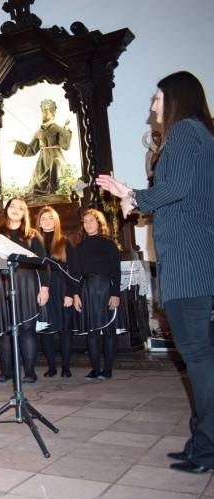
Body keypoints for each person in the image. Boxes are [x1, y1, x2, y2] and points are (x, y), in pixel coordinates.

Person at [96, 70, 214, 475]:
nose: (152, 107)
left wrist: (133, 195)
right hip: (200, 261)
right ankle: (201, 440)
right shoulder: (203, 135)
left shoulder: (184, 133)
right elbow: (182, 192)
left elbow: (174, 188)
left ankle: (208, 449)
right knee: (203, 357)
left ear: (176, 98)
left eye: (156, 99)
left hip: (188, 264)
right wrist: (135, 195)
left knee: (198, 358)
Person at [0, 198, 48, 384]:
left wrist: (44, 288)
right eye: (12, 206)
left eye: (20, 208)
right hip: (2, 284)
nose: (16, 210)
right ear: (6, 209)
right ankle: (7, 372)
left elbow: (44, 264)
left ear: (24, 213)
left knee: (27, 330)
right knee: (4, 331)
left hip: (27, 284)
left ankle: (29, 372)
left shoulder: (33, 235)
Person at [71, 209, 120, 381]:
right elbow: (75, 274)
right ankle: (95, 369)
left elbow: (116, 271)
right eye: (85, 221)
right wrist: (76, 295)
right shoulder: (79, 248)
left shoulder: (109, 244)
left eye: (92, 220)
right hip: (88, 290)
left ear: (99, 223)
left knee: (108, 330)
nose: (88, 224)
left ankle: (107, 369)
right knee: (92, 332)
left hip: (106, 288)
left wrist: (115, 294)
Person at [36, 206, 76, 378]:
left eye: (50, 218)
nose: (46, 221)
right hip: (41, 288)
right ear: (38, 222)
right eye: (43, 218)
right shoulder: (34, 242)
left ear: (56, 221)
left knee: (64, 330)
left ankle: (66, 367)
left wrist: (70, 293)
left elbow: (73, 270)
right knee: (46, 329)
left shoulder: (64, 241)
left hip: (61, 289)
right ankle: (51, 366)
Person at [13, 99, 72, 197]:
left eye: (46, 110)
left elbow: (65, 146)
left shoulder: (57, 128)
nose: (43, 113)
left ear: (52, 113)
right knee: (35, 191)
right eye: (42, 110)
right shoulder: (39, 132)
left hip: (55, 159)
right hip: (42, 163)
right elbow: (31, 150)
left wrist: (65, 130)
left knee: (60, 186)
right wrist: (16, 144)